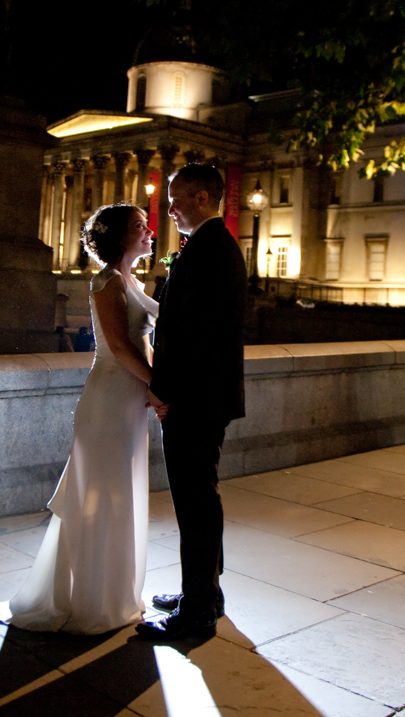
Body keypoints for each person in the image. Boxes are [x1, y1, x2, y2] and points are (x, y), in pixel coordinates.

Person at [0, 204, 158, 634]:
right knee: (102, 496)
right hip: (109, 400)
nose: (149, 231)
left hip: (128, 399)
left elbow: (142, 344)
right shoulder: (107, 282)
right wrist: (157, 386)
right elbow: (119, 347)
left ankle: (112, 593)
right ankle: (92, 600)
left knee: (119, 496)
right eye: (140, 225)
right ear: (120, 236)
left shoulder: (132, 281)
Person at [139, 164, 248, 640]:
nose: (169, 209)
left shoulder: (211, 250)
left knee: (195, 502)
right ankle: (205, 592)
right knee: (202, 498)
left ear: (202, 197)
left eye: (176, 199)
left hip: (194, 398)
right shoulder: (211, 246)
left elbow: (192, 335)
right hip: (204, 395)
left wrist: (162, 391)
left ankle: (197, 609)